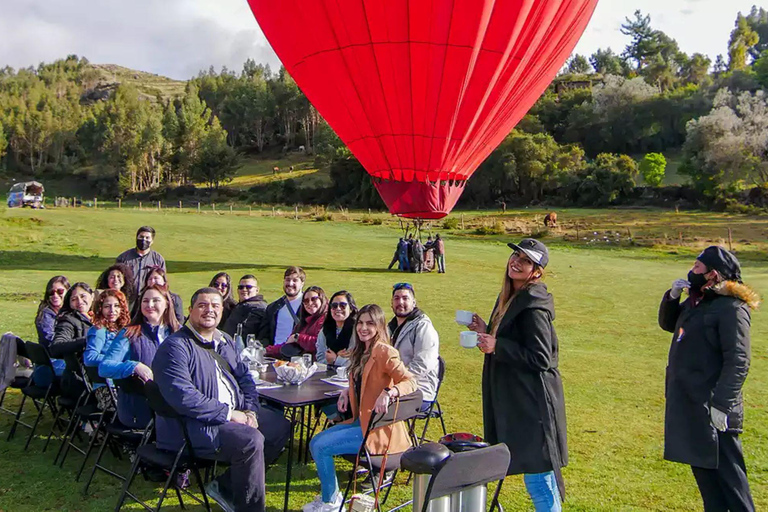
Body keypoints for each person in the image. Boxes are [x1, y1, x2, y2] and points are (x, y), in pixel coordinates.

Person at [153, 288, 291, 512]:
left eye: (215, 306)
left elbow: (245, 378)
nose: (210, 310)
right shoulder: (175, 347)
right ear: (190, 310)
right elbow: (183, 397)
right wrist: (229, 414)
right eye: (203, 305)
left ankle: (225, 486)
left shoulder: (224, 340)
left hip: (231, 416)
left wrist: (250, 412)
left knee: (279, 426)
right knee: (250, 440)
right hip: (193, 426)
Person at [468, 238, 567, 512]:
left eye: (525, 260)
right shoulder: (512, 297)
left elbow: (542, 357)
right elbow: (516, 337)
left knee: (539, 477)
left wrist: (497, 346)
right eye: (516, 256)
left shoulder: (533, 304)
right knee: (534, 475)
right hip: (518, 401)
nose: (516, 262)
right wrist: (486, 329)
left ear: (537, 270)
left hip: (533, 404)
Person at [658, 246, 759, 511]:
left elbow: (739, 361)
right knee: (709, 487)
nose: (692, 271)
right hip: (692, 405)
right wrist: (671, 297)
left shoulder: (731, 309)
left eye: (697, 267)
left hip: (716, 411)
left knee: (732, 486)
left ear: (712, 275)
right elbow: (671, 324)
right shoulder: (698, 302)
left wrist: (722, 405)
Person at [304, 304, 417, 512]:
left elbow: (410, 382)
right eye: (360, 323)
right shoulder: (360, 350)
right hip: (360, 423)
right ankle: (331, 497)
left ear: (380, 326)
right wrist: (347, 391)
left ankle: (331, 502)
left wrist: (389, 393)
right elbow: (361, 380)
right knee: (317, 442)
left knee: (320, 446)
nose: (363, 328)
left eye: (370, 324)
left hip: (377, 432)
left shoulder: (385, 352)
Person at [100, 285, 180, 428]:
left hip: (175, 401)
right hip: (141, 409)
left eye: (156, 300)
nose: (150, 305)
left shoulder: (179, 333)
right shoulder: (129, 334)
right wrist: (134, 366)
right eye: (145, 301)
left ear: (167, 303)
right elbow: (105, 367)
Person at [388, 283, 440, 411]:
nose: (400, 302)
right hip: (394, 387)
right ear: (391, 303)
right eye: (396, 298)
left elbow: (423, 364)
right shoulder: (390, 326)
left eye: (405, 298)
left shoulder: (423, 326)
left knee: (379, 408)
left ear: (414, 302)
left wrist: (399, 380)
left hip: (420, 390)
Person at [48, 282, 95, 399]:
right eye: (74, 299)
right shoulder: (68, 321)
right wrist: (88, 340)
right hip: (81, 382)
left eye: (83, 296)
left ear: (92, 296)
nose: (79, 301)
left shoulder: (97, 317)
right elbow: (56, 346)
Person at [257, 266, 305, 351]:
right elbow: (264, 335)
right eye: (287, 279)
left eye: (295, 280)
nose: (290, 283)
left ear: (302, 283)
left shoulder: (309, 306)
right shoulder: (273, 307)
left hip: (296, 355)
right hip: (274, 354)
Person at [84, 289, 130, 368]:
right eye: (107, 306)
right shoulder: (99, 329)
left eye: (116, 306)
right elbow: (90, 358)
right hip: (107, 376)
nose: (112, 310)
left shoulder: (125, 329)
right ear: (100, 309)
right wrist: (116, 359)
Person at [279, 286, 328, 360]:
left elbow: (320, 344)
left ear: (322, 300)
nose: (310, 303)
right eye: (306, 301)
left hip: (320, 365)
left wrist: (298, 338)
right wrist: (266, 350)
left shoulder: (327, 319)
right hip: (300, 364)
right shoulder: (304, 322)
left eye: (314, 299)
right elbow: (288, 344)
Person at [35, 275, 70, 377]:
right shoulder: (45, 315)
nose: (55, 295)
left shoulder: (69, 312)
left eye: (60, 291)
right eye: (51, 292)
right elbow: (49, 340)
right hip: (50, 365)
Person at [116, 226, 166, 294]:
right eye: (141, 237)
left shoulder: (158, 259)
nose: (144, 240)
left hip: (148, 298)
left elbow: (163, 281)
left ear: (152, 241)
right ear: (136, 238)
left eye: (147, 238)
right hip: (127, 297)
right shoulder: (123, 258)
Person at [316, 291, 358, 367]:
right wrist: (331, 359)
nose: (338, 309)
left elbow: (354, 359)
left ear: (351, 309)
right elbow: (320, 358)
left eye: (342, 305)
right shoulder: (325, 330)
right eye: (334, 306)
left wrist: (336, 359)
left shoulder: (357, 329)